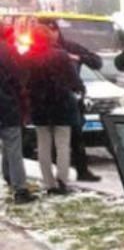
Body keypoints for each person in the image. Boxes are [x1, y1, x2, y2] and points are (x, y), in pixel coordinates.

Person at [26, 24, 83, 195]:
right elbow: (73, 79)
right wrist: (79, 88)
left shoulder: (28, 57)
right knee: (62, 145)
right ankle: (62, 181)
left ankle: (49, 183)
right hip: (61, 106)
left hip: (39, 106)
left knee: (43, 145)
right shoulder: (60, 55)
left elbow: (25, 82)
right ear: (49, 37)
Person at [43, 19, 103, 182]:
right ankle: (58, 174)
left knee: (76, 137)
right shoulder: (39, 51)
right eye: (47, 31)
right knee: (52, 141)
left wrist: (78, 58)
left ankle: (81, 170)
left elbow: (96, 61)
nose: (51, 35)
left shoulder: (69, 47)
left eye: (53, 30)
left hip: (70, 99)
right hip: (46, 100)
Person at [0, 29, 36, 203]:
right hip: (7, 107)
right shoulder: (8, 51)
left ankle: (8, 176)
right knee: (13, 147)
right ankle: (19, 189)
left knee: (10, 146)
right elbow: (21, 75)